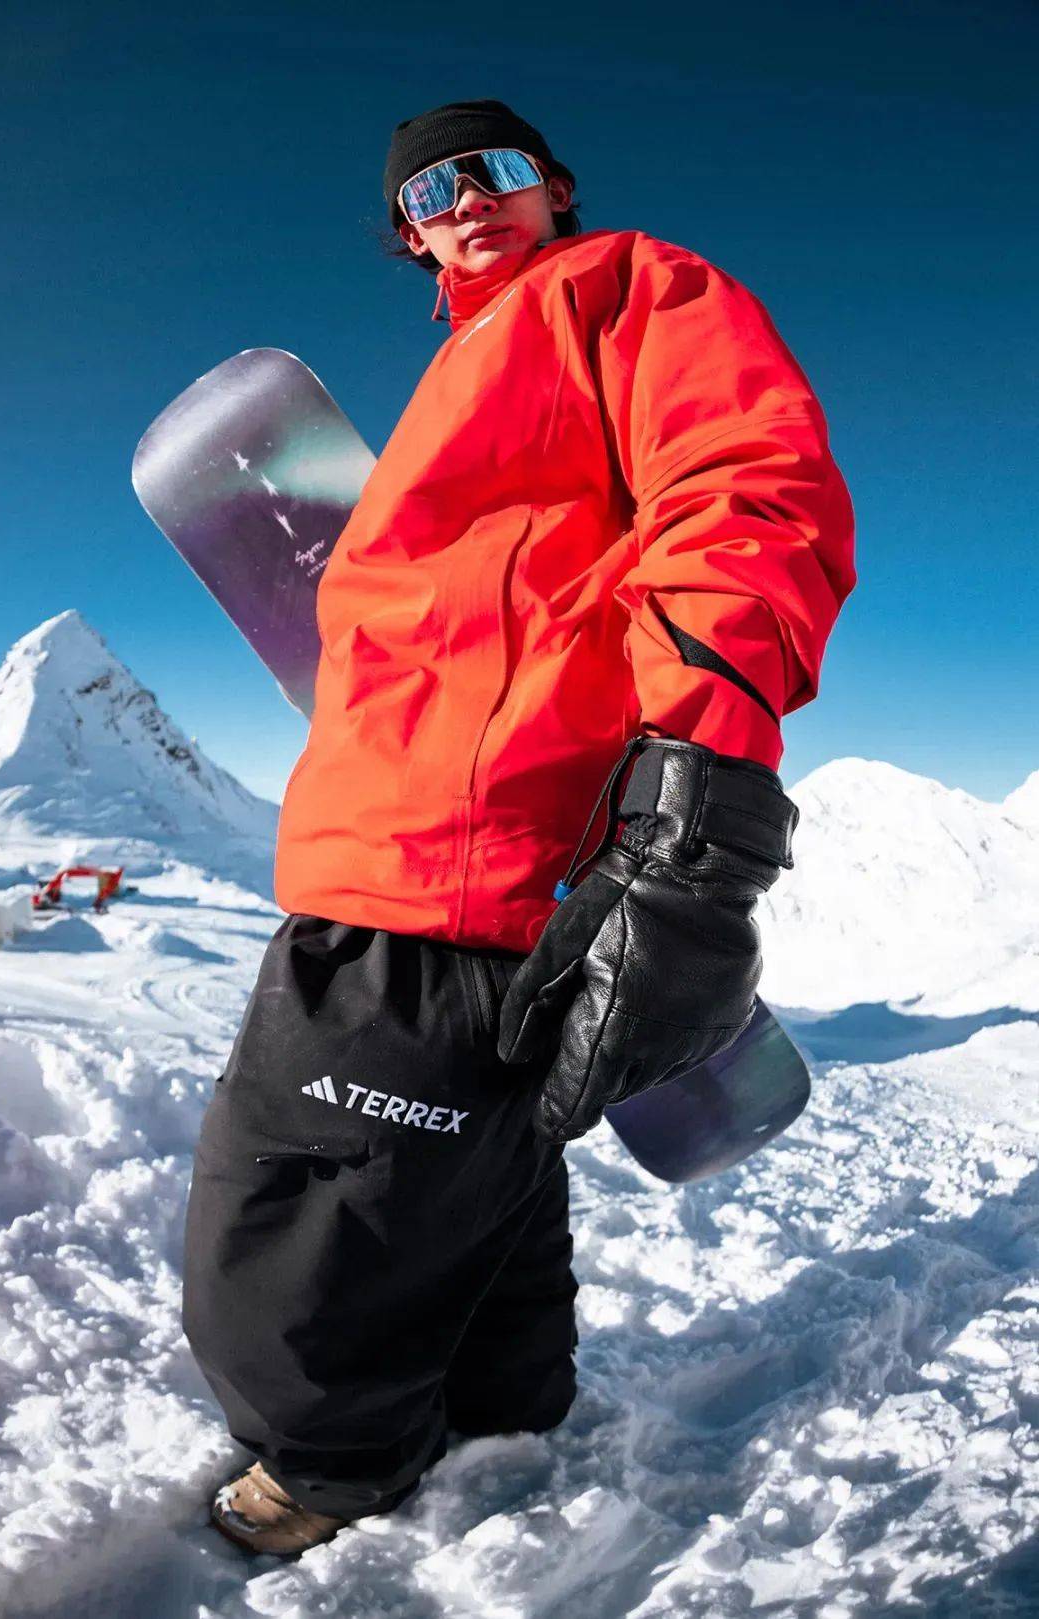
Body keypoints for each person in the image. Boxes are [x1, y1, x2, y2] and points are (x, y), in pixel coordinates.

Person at [182, 98, 856, 1557]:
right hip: (436, 850)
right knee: (471, 1177)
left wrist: (697, 816)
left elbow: (745, 501)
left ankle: (330, 1465)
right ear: (409, 236)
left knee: (285, 1226)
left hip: (454, 866)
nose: (462, 201)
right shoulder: (474, 363)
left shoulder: (621, 289)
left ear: (552, 185)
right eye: (427, 193)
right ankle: (503, 1408)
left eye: (488, 171)